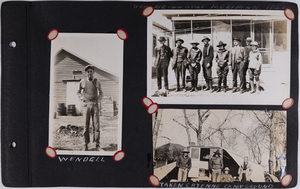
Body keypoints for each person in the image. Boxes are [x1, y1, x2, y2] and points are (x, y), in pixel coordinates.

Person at [77, 65, 103, 151]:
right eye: (88, 72)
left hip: (95, 105)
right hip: (86, 106)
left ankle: (97, 145)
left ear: (93, 72)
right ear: (86, 73)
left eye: (91, 71)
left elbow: (101, 93)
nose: (89, 73)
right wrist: (81, 98)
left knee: (96, 125)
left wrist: (99, 99)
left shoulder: (97, 81)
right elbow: (78, 92)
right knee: (85, 126)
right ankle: (85, 144)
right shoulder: (82, 82)